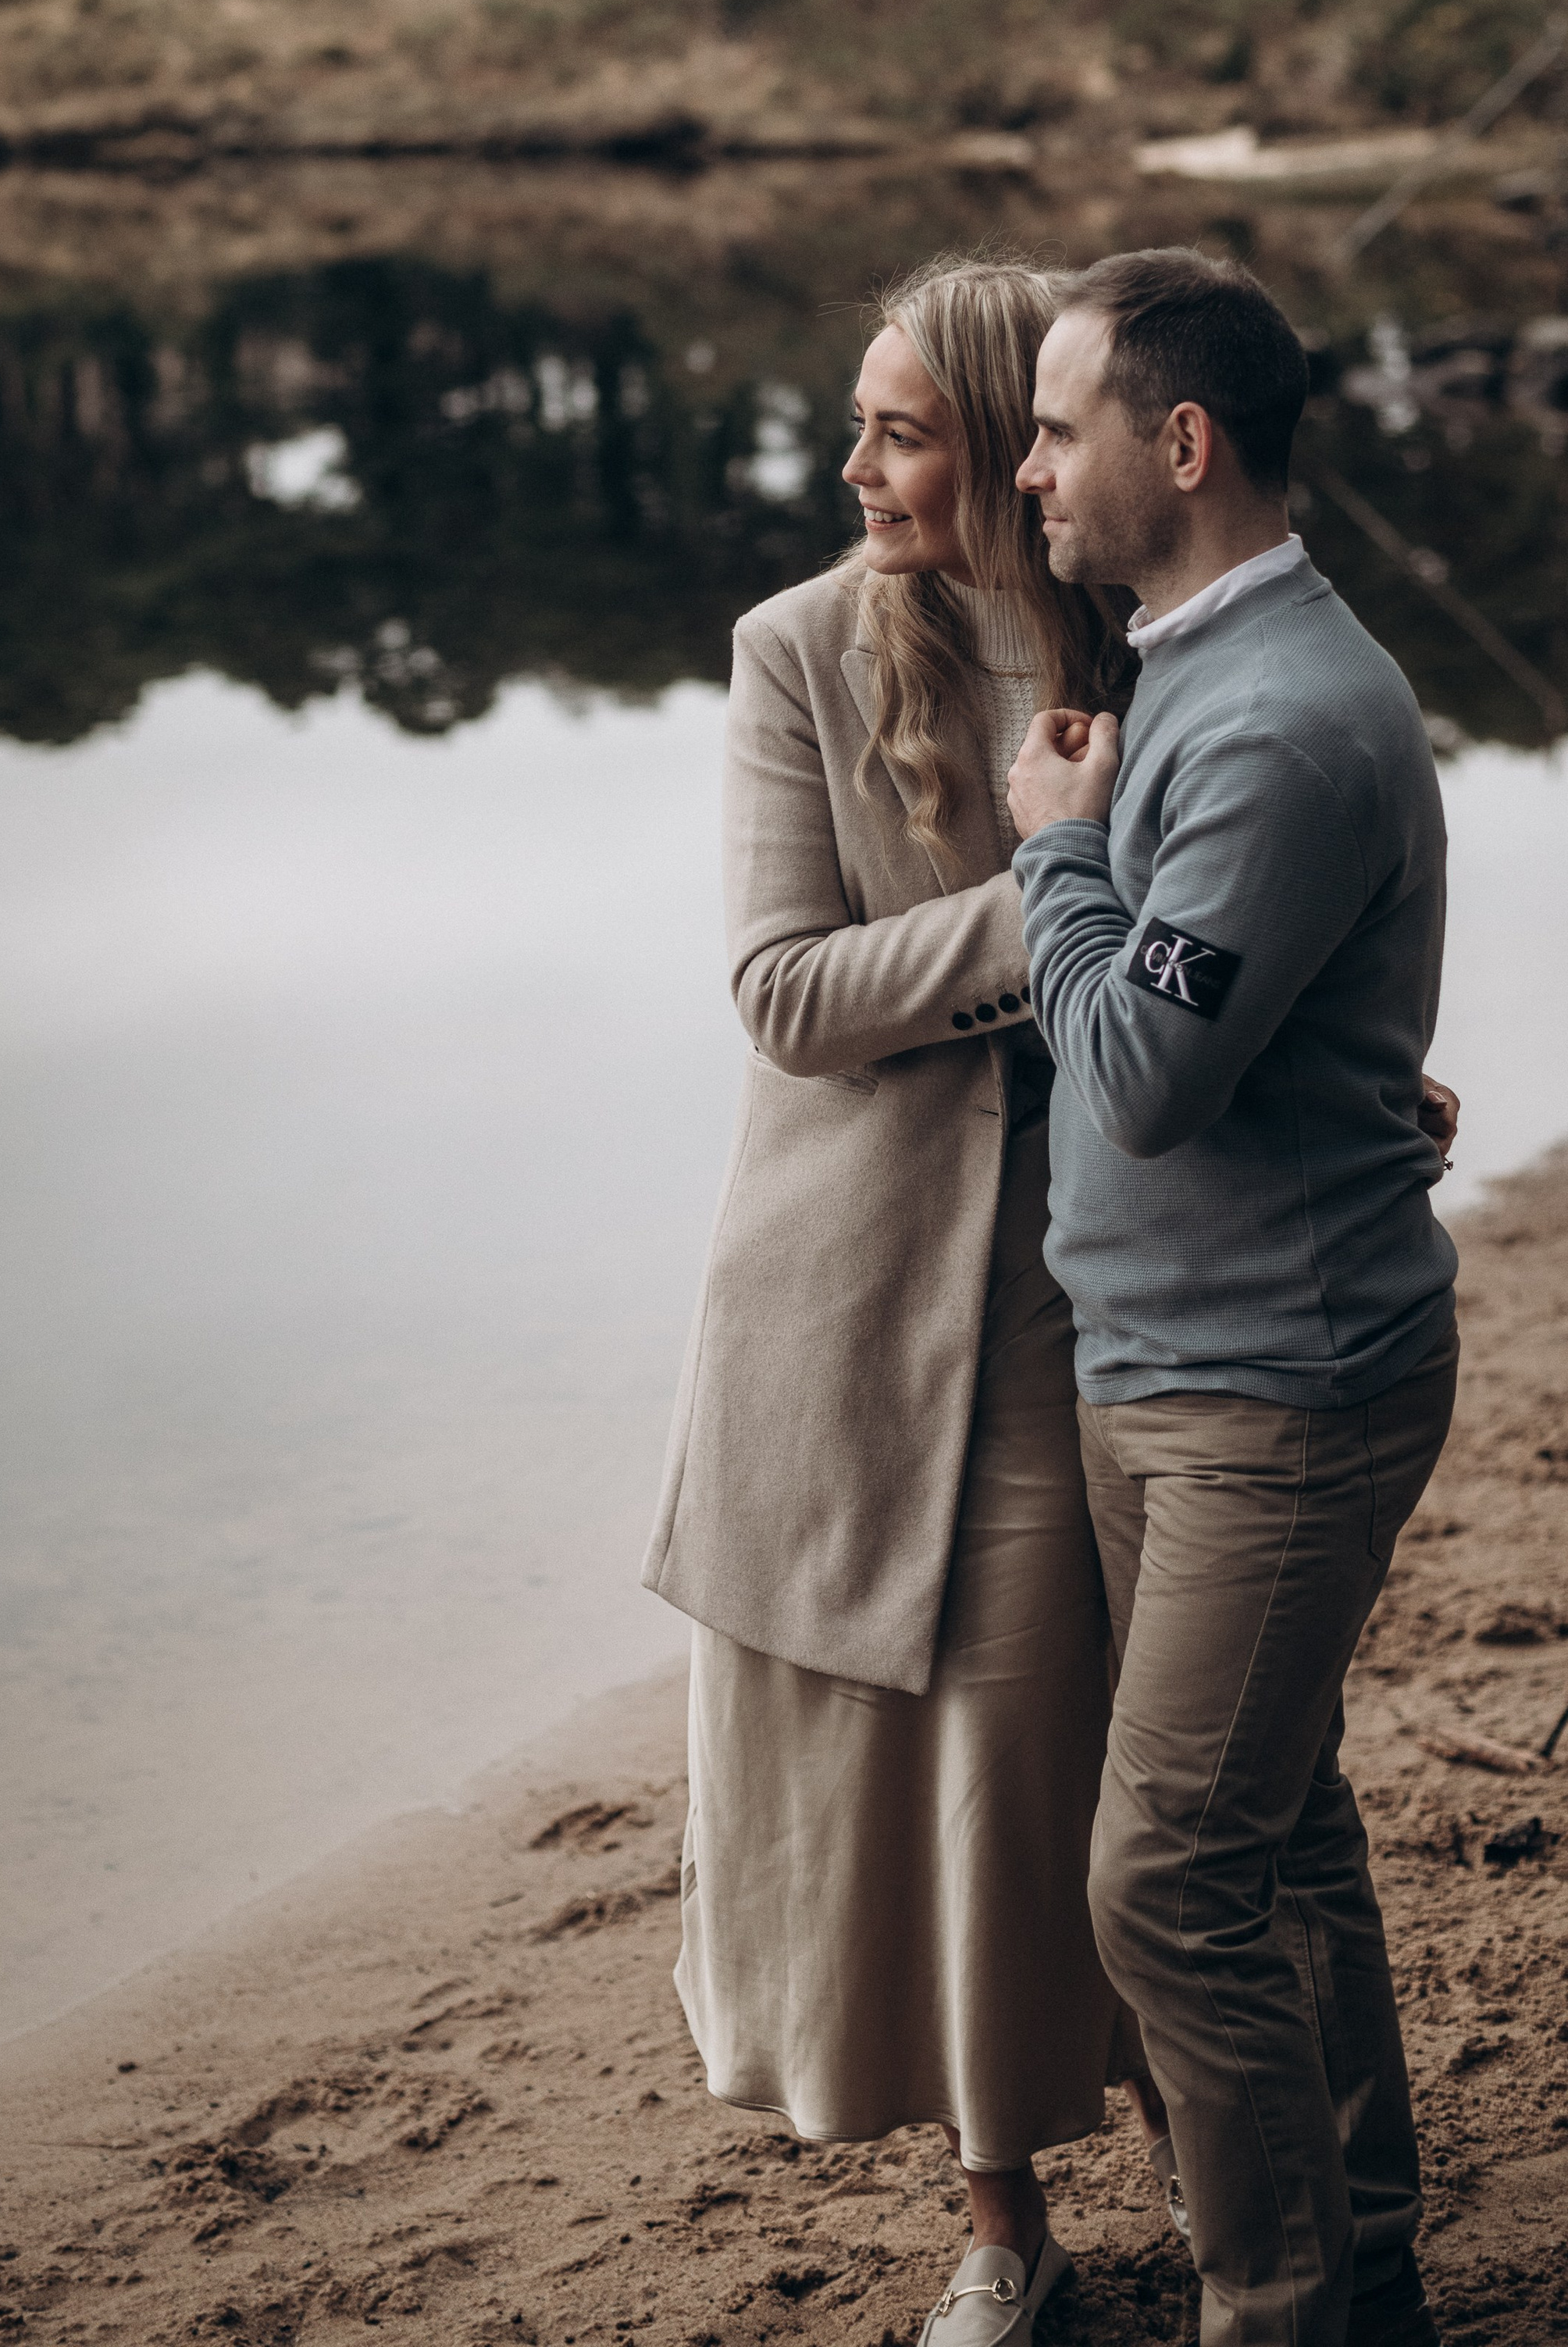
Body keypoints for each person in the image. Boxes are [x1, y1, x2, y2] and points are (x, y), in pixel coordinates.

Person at [642, 256, 1175, 2343]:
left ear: (1022, 445)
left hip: (1104, 1280)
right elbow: (783, 1000)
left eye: (906, 430)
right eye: (853, 424)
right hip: (851, 1307)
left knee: (1079, 1756)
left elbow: (1233, 921)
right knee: (931, 1769)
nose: (856, 466)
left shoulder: (1138, 633)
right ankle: (1002, 2231)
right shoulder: (792, 656)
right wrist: (1044, 885)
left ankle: (1220, 2159)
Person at [1007, 246, 1460, 2347]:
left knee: (1169, 1885)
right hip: (1179, 1361)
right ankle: (1360, 2255)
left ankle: (1285, 2316)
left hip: (1272, 1388)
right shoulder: (1201, 649)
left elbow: (1144, 1078)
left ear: (1177, 446)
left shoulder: (1275, 717)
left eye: (1056, 428)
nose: (1029, 473)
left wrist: (1055, 852)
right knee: (1275, 1837)